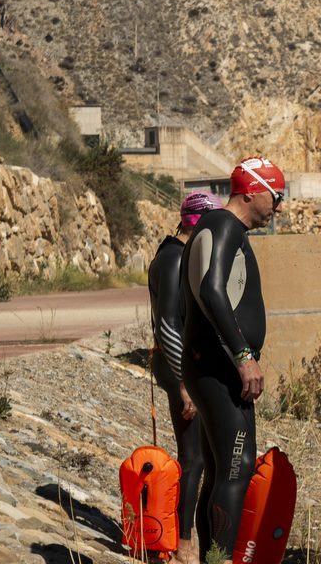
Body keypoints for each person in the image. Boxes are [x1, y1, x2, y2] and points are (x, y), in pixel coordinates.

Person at [182, 156, 284, 563]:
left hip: (209, 364)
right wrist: (244, 356)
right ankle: (221, 559)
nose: (280, 207)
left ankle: (213, 558)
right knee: (237, 467)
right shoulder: (224, 226)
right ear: (254, 192)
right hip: (221, 368)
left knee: (218, 468)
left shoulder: (216, 228)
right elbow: (211, 289)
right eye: (276, 197)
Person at [147, 190, 222, 564]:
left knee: (201, 457)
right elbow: (168, 325)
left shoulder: (171, 254)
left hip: (179, 367)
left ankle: (191, 535)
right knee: (193, 458)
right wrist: (183, 383)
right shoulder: (174, 259)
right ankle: (184, 544)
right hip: (178, 369)